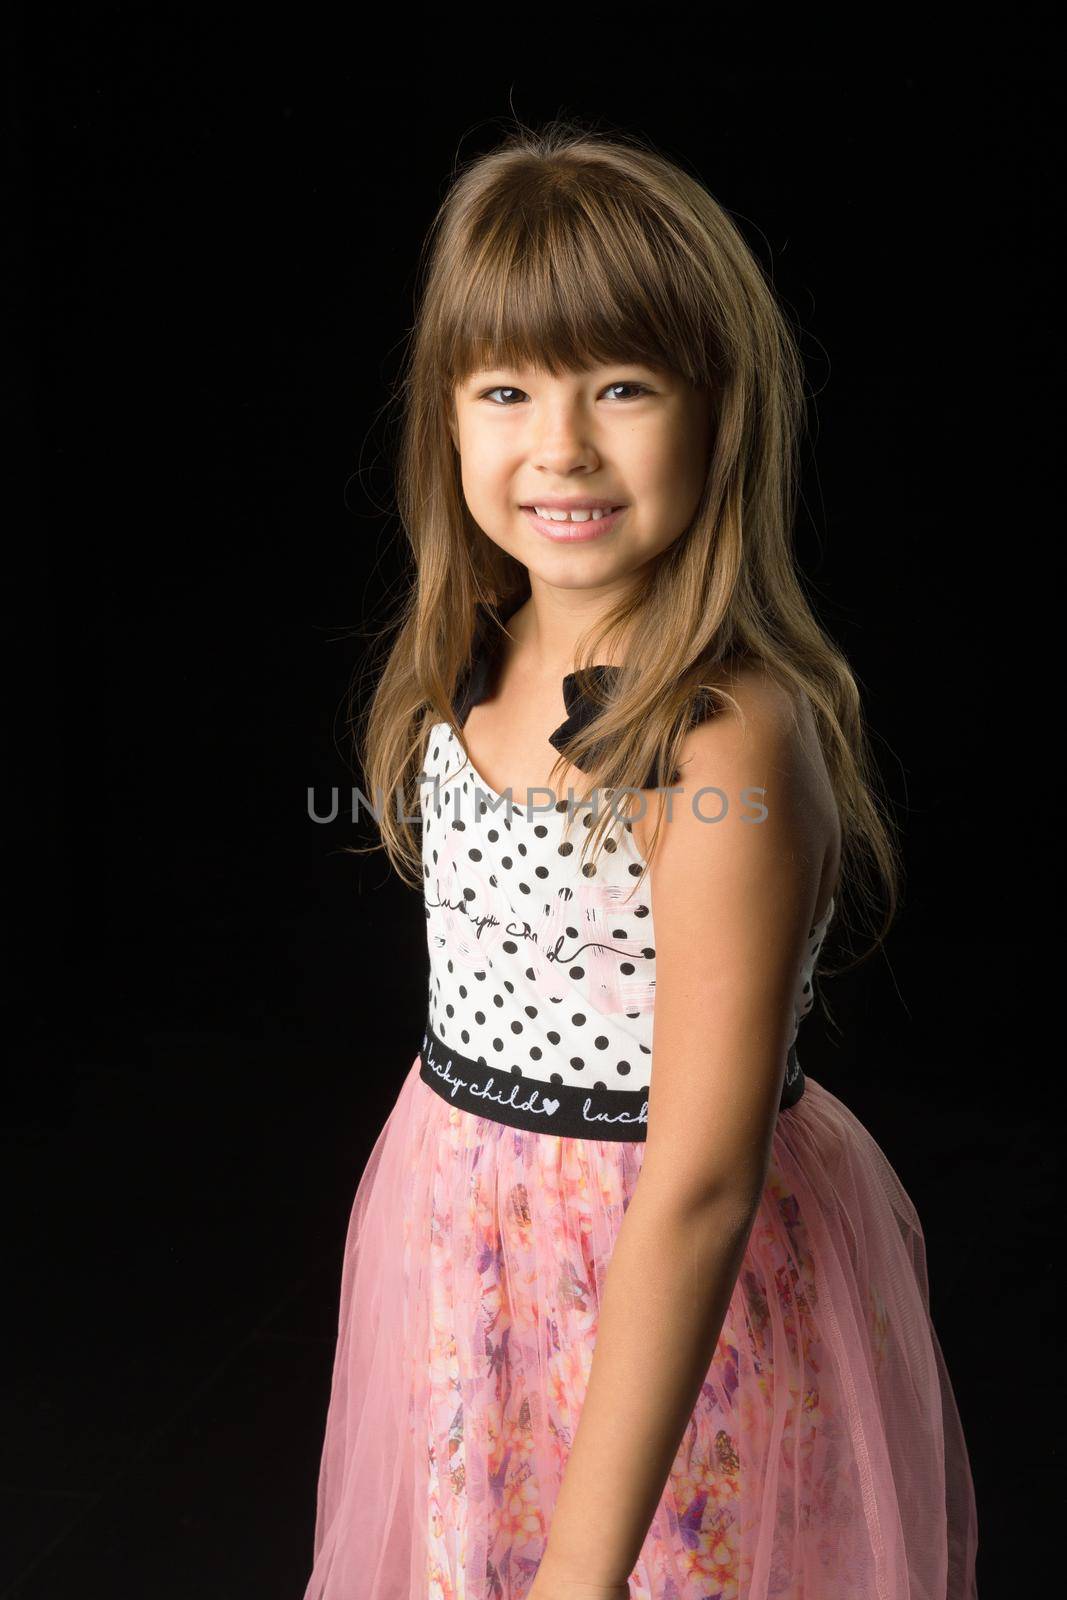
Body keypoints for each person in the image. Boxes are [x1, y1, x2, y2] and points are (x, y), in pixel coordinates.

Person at [302, 117, 979, 1600]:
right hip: (472, 1256)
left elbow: (700, 1178)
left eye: (621, 386)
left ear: (716, 413)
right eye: (506, 390)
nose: (561, 447)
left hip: (662, 1303)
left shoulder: (723, 735)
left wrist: (581, 1570)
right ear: (446, 417)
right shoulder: (466, 666)